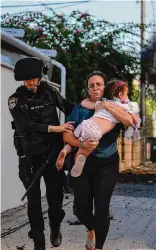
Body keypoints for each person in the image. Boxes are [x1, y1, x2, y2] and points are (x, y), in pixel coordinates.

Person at [8, 57, 75, 250]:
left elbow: (67, 106)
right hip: (29, 158)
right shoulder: (15, 100)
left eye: (34, 78)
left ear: (39, 77)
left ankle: (55, 227)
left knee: (55, 200)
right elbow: (25, 125)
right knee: (34, 202)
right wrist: (54, 129)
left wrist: (91, 108)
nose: (31, 81)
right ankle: (39, 240)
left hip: (53, 155)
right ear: (22, 79)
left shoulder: (50, 92)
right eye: (27, 79)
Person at [63, 71, 134, 250]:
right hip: (84, 161)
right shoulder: (79, 110)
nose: (95, 88)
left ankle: (99, 247)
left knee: (102, 206)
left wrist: (108, 107)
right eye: (92, 85)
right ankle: (91, 228)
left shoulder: (115, 105)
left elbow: (129, 121)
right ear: (87, 89)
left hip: (107, 162)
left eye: (99, 84)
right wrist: (82, 144)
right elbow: (66, 135)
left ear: (105, 87)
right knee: (80, 208)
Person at [56, 80, 140, 177]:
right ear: (121, 94)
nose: (128, 97)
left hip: (86, 124)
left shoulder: (103, 102)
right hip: (96, 132)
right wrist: (136, 120)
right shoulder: (124, 107)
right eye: (127, 95)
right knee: (86, 149)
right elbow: (134, 120)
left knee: (73, 140)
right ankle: (79, 158)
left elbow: (85, 103)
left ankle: (65, 151)